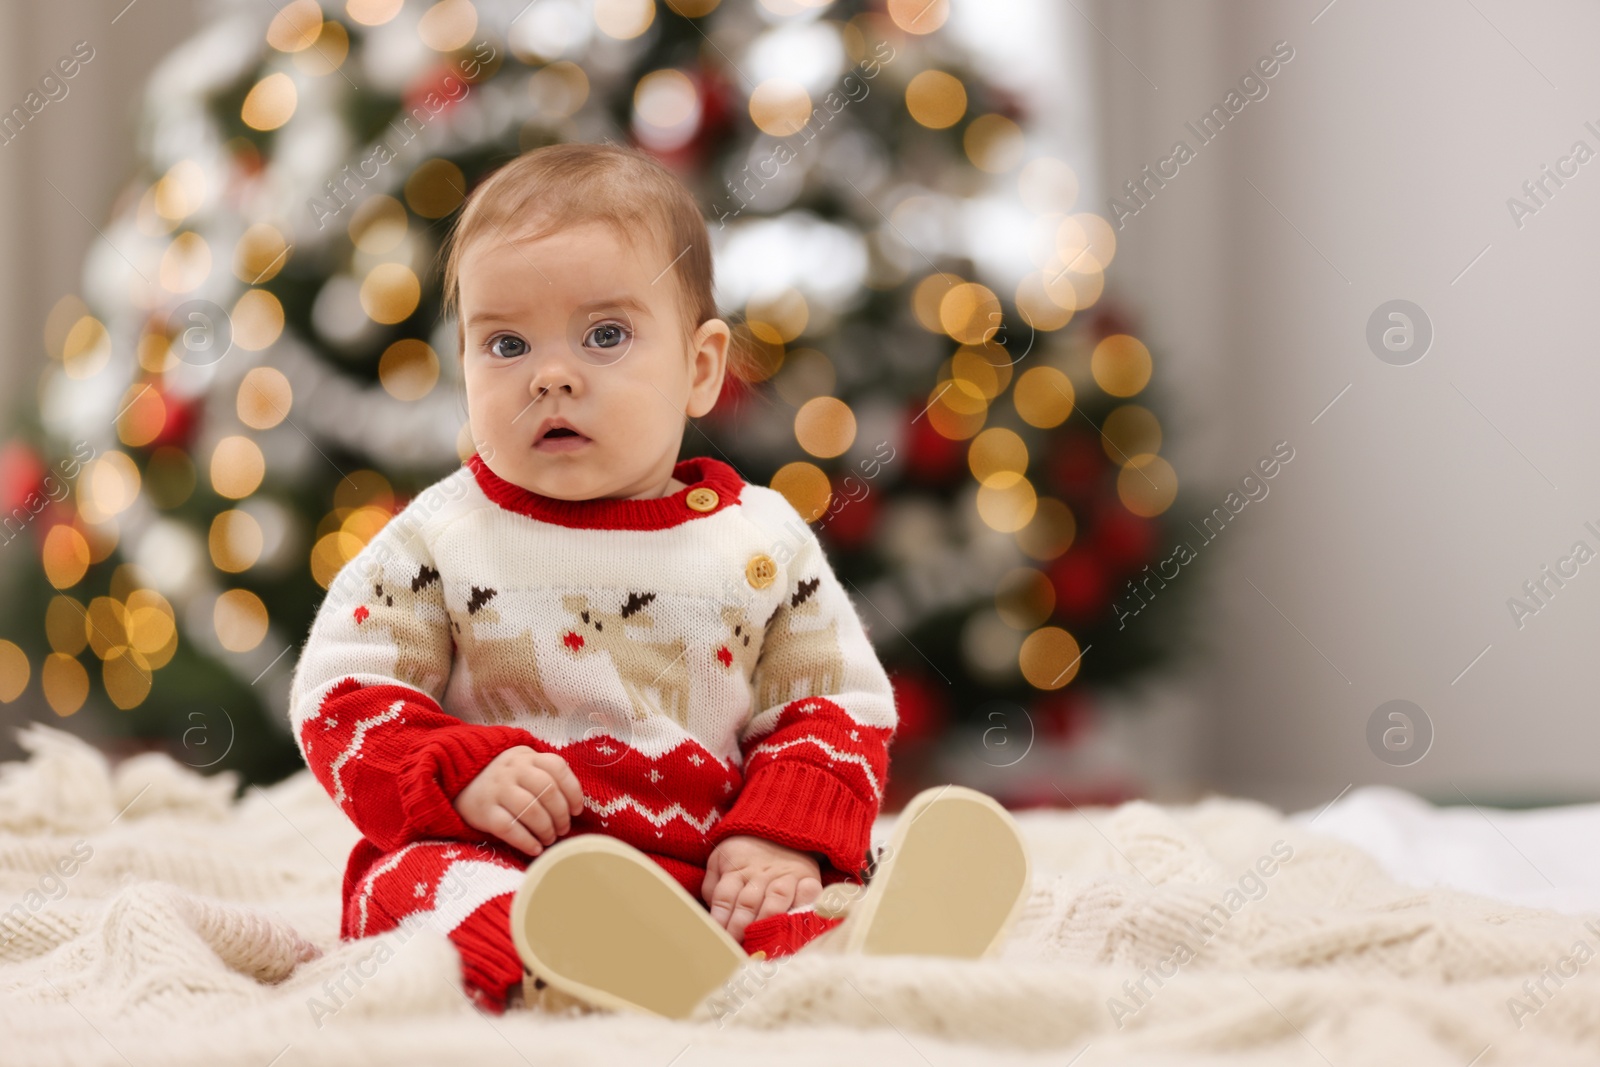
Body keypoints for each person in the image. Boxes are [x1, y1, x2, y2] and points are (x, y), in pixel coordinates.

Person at [287, 142, 1029, 1016]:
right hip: (507, 856)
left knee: (789, 896)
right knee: (413, 889)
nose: (550, 375)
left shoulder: (758, 544)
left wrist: (773, 838)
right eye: (505, 343)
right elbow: (342, 694)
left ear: (701, 367)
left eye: (606, 335)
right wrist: (458, 776)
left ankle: (851, 957)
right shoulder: (439, 539)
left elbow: (832, 707)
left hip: (702, 868)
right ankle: (558, 969)